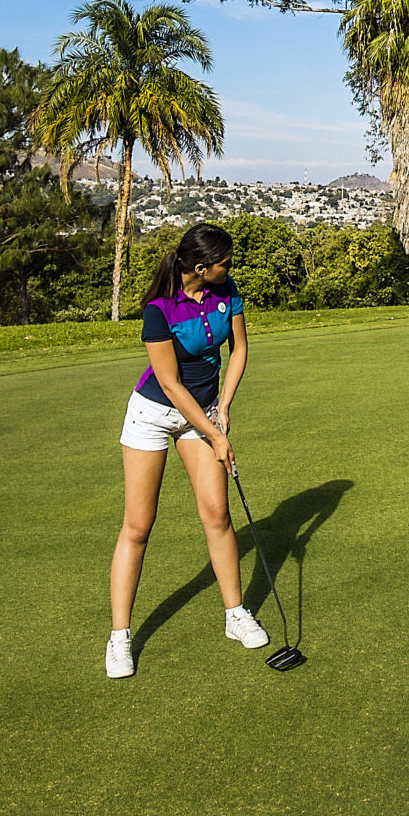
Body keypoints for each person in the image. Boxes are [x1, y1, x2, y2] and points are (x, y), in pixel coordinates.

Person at [107, 220, 269, 678]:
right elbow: (170, 383)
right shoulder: (159, 309)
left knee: (217, 514)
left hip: (205, 412)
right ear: (201, 267)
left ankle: (235, 614)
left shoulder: (226, 290)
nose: (231, 268)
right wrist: (215, 433)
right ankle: (120, 637)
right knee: (139, 526)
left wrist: (224, 408)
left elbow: (238, 350)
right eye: (225, 263)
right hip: (154, 415)